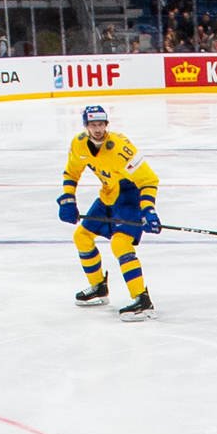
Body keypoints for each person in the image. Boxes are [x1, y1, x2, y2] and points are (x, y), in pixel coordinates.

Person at [58, 105, 160, 320]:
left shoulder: (121, 148)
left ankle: (142, 299)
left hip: (130, 198)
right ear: (86, 126)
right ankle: (99, 287)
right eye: (93, 125)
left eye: (101, 124)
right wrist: (68, 199)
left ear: (106, 125)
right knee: (82, 236)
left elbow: (148, 180)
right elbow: (71, 172)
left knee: (120, 243)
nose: (98, 129)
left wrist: (148, 209)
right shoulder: (79, 144)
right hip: (108, 195)